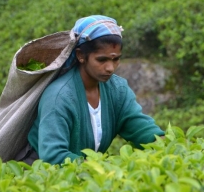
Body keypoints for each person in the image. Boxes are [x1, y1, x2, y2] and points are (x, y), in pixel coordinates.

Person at [15, 15, 165, 165]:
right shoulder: (59, 96)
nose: (110, 68)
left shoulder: (117, 90)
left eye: (116, 59)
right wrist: (101, 168)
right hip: (38, 173)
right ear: (81, 55)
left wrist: (172, 145)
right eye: (102, 60)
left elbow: (142, 129)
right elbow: (53, 155)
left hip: (83, 173)